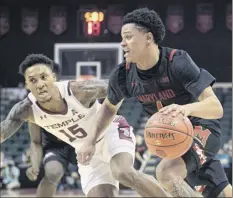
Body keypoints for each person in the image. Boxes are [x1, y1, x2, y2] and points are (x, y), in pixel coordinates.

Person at [78, 7, 232, 198]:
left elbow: (215, 108)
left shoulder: (177, 62)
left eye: (128, 37)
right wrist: (90, 141)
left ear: (148, 38)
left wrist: (185, 109)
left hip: (202, 129)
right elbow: (108, 108)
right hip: (174, 138)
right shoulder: (123, 74)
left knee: (166, 173)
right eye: (122, 38)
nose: (122, 43)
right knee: (221, 194)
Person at [0, 54, 171, 197]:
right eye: (33, 80)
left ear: (53, 77)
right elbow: (4, 131)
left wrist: (157, 86)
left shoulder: (79, 90)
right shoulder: (25, 110)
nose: (40, 84)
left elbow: (118, 87)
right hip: (86, 153)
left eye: (44, 77)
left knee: (123, 172)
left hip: (111, 132)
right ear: (27, 84)